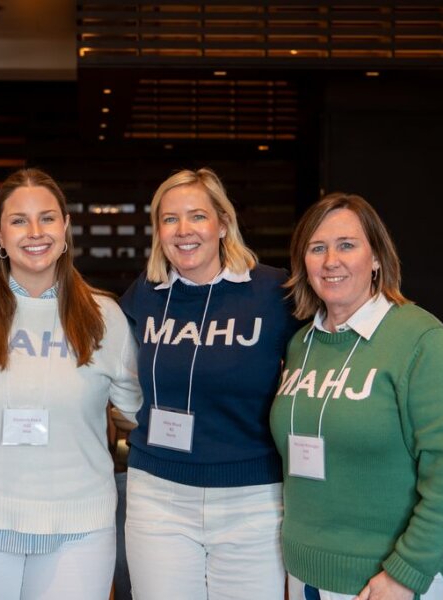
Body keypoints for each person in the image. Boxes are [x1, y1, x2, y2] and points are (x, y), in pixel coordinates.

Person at [0, 168, 142, 600]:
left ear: (65, 226)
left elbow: (138, 411)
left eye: (46, 218)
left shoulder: (105, 316)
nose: (35, 232)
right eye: (18, 220)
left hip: (79, 525)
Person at [270, 193, 443, 600]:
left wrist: (405, 574)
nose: (331, 260)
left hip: (390, 582)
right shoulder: (301, 345)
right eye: (317, 248)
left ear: (377, 258)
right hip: (305, 575)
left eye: (347, 245)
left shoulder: (422, 341)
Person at [120, 168, 298, 599]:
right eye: (169, 219)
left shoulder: (274, 293)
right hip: (158, 497)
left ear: (222, 222)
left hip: (253, 499)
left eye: (197, 216)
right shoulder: (145, 294)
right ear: (158, 230)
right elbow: (124, 384)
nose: (184, 230)